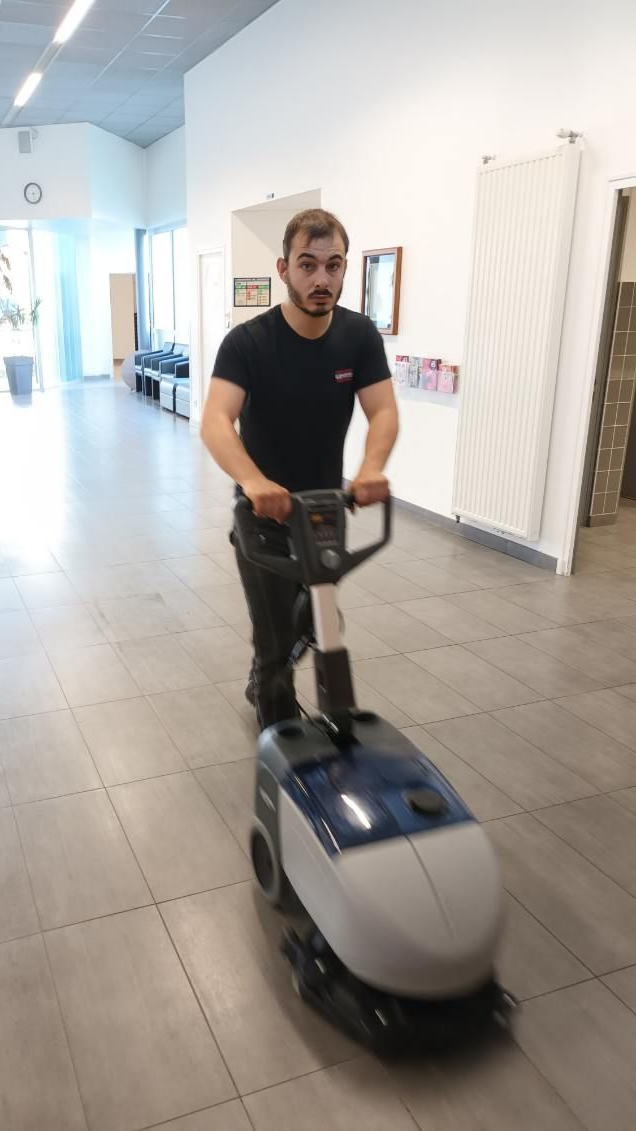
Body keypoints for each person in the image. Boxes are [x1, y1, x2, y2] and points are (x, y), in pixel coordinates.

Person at [200, 208, 399, 729]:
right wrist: (253, 480)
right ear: (283, 268)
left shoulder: (358, 337)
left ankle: (269, 671)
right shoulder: (248, 343)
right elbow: (216, 422)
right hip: (263, 517)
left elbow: (382, 411)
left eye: (333, 266)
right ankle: (279, 753)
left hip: (324, 512)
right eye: (307, 265)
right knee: (276, 649)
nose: (321, 279)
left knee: (315, 625)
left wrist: (371, 466)